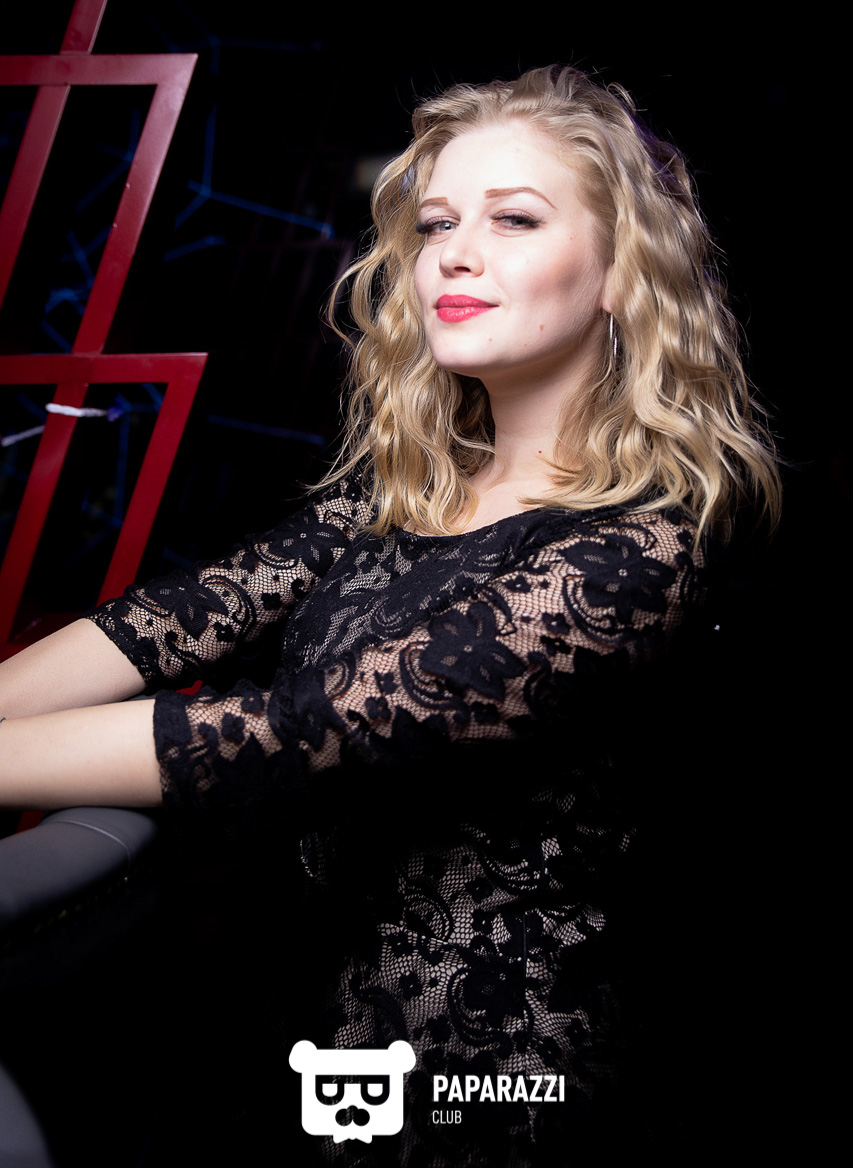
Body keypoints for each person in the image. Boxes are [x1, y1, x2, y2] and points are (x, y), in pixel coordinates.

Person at [0, 65, 780, 1164]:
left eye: (514, 219)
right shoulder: (392, 504)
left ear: (620, 272)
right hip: (286, 1041)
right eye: (437, 223)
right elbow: (165, 623)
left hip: (479, 1086)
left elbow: (295, 738)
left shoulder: (635, 555)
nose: (453, 253)